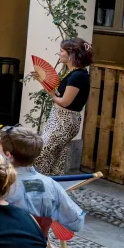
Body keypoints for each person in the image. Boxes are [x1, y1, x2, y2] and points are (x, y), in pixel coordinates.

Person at [0, 126, 85, 234]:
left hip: (0, 245)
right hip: (36, 246)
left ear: (8, 155)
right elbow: (77, 222)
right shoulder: (51, 185)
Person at [32, 37, 93, 175]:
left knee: (43, 154)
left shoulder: (78, 76)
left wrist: (54, 97)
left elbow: (64, 101)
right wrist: (42, 80)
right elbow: (57, 95)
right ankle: (50, 186)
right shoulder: (73, 73)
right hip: (60, 118)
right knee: (54, 158)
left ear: (71, 55)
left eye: (61, 51)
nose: (59, 53)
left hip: (64, 121)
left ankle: (41, 184)